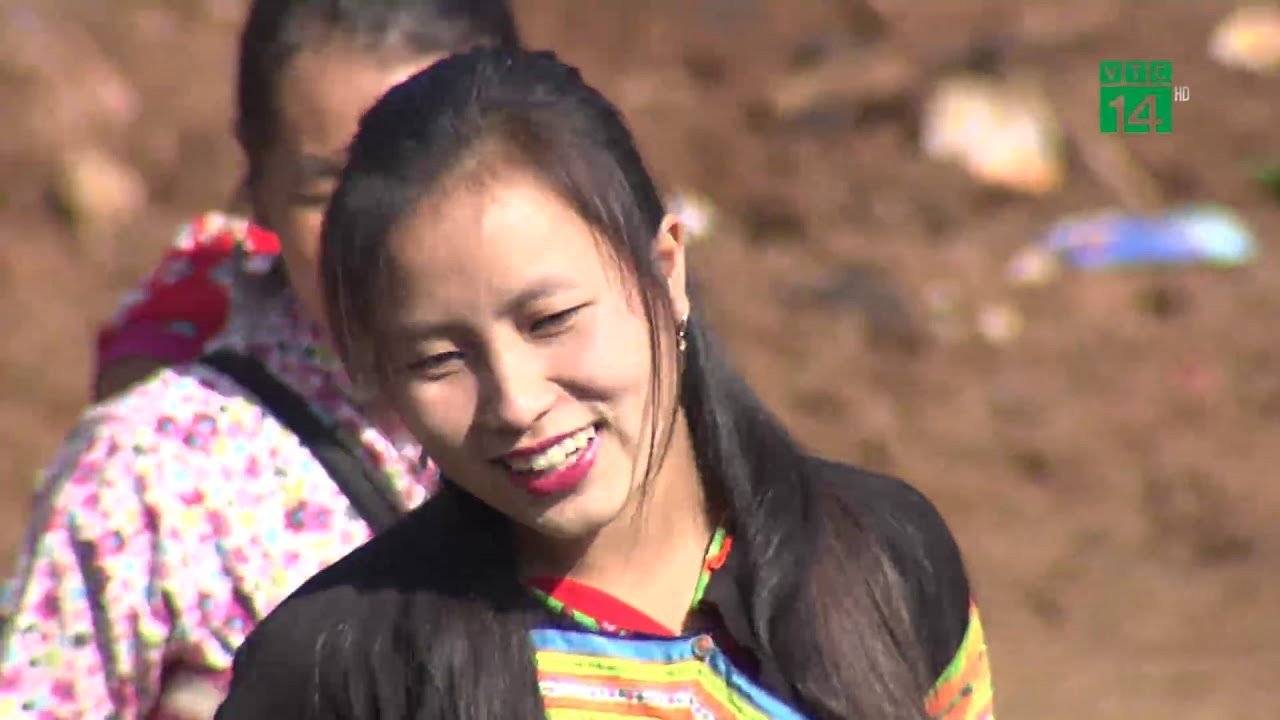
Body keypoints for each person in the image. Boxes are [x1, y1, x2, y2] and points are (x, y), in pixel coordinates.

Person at [216, 47, 995, 720]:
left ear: (666, 271)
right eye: (439, 360)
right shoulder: (335, 672)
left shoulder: (885, 560)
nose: (516, 401)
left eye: (551, 320)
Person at [0, 3, 522, 718]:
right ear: (259, 189)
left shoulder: (618, 420)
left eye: (435, 170)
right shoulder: (149, 480)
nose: (386, 233)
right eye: (327, 192)